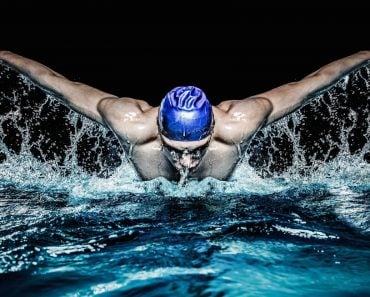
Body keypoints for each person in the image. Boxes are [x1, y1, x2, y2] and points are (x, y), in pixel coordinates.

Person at [1, 50, 369, 185]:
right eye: (176, 149)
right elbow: (52, 82)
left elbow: (317, 81)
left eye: (196, 149)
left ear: (213, 129)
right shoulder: (128, 121)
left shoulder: (241, 121)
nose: (187, 162)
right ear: (157, 129)